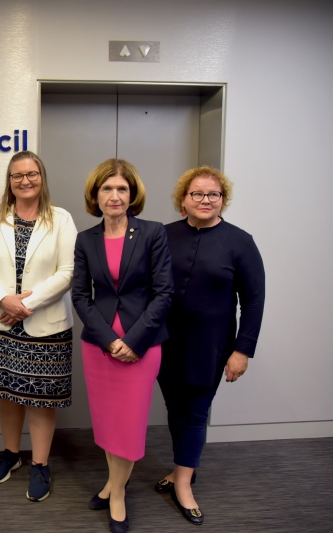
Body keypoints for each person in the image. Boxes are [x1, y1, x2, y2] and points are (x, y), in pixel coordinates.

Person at [155, 166, 265, 525]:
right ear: (182, 200)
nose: (205, 200)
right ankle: (181, 468)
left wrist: (242, 350)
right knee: (174, 407)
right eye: (197, 194)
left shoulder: (240, 241)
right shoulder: (163, 235)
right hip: (166, 340)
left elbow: (253, 300)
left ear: (223, 200)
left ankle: (183, 483)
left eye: (213, 194)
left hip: (212, 344)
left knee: (196, 409)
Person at [72, 158, 173, 533]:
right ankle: (113, 482)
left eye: (121, 189)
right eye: (106, 189)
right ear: (95, 195)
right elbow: (81, 296)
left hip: (142, 345)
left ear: (132, 195)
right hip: (99, 345)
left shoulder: (152, 233)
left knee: (128, 425)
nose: (114, 196)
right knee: (109, 423)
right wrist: (109, 339)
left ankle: (116, 492)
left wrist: (132, 341)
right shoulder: (86, 239)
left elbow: (164, 293)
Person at [0, 151, 77, 502]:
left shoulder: (61, 219)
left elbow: (68, 272)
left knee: (41, 398)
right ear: (9, 181)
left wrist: (25, 305)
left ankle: (40, 464)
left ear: (42, 177)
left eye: (32, 174)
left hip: (44, 324)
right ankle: (11, 453)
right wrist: (4, 300)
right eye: (17, 175)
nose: (25, 180)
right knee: (7, 391)